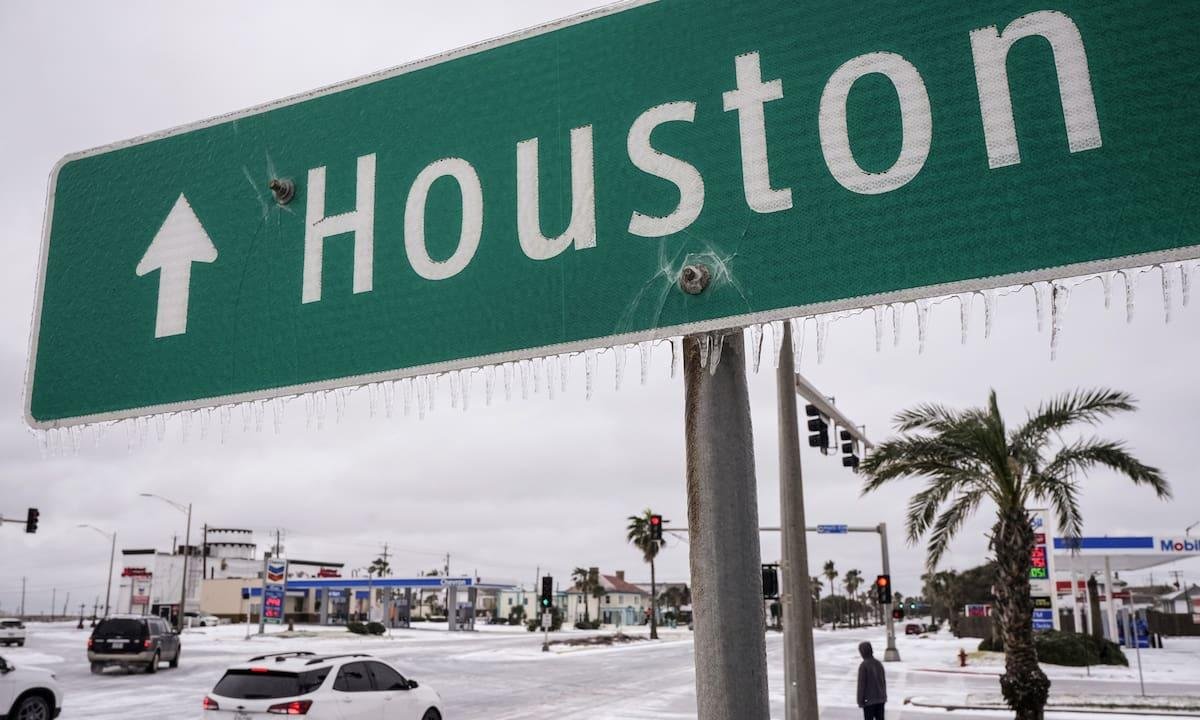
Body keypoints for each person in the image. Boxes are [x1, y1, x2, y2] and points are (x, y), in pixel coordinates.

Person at [856, 641, 887, 720]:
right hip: (880, 699)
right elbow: (883, 682)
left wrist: (860, 700)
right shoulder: (878, 664)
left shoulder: (863, 666)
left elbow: (861, 685)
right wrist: (883, 696)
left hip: (869, 701)